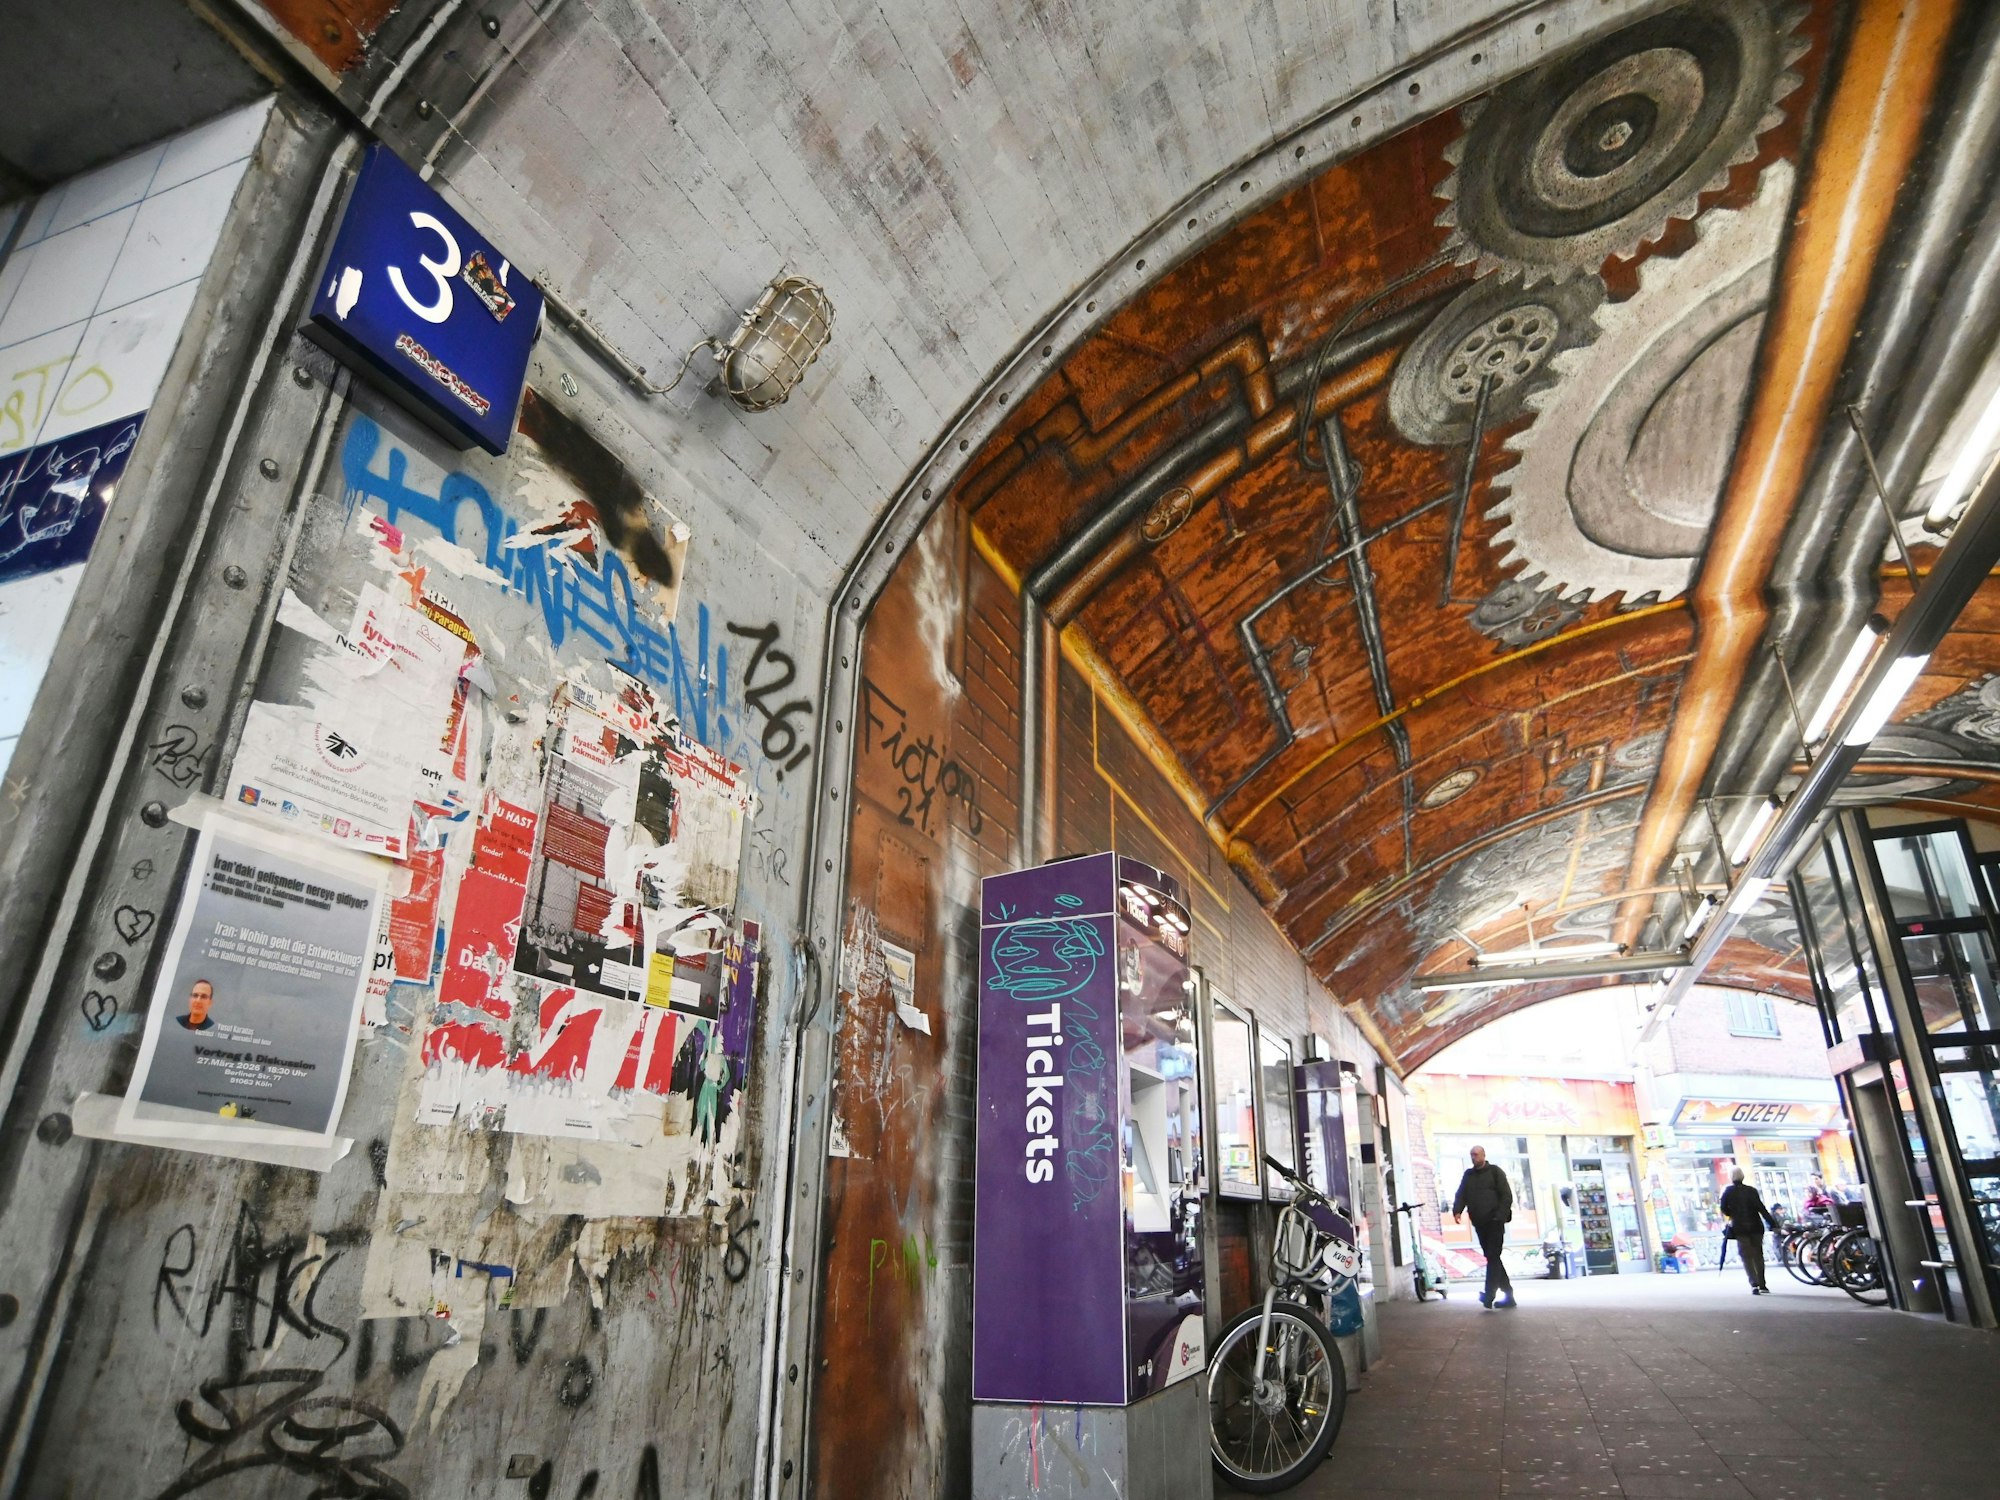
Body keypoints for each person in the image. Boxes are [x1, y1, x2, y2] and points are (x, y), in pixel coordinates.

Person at [1452, 1144, 1516, 1309]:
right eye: (1472, 1155)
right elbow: (1461, 1194)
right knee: (1492, 1257)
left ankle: (1489, 1295)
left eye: (1476, 1155)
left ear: (1483, 1155)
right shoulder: (1469, 1175)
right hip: (1479, 1223)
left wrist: (1500, 1216)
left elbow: (1506, 1196)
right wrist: (1457, 1210)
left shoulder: (1495, 1172)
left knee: (1493, 1256)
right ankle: (1509, 1295)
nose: (1474, 1158)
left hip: (1495, 1222)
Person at [1719, 1166, 1778, 1294]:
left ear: (1731, 1177)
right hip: (1756, 1227)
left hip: (1740, 1229)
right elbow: (1761, 1208)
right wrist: (1772, 1224)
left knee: (1746, 1256)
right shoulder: (1752, 1191)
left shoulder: (1728, 1192)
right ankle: (1763, 1284)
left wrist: (1732, 1213)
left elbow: (1723, 1208)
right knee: (1758, 1255)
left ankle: (1754, 1284)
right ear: (1743, 1176)